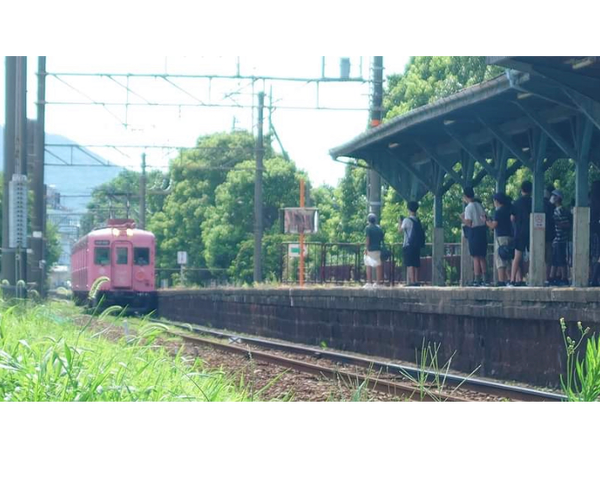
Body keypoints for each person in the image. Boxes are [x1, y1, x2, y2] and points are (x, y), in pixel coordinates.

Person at [460, 186, 488, 286]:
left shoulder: (469, 207)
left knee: (475, 256)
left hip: (474, 232)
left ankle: (477, 278)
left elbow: (469, 223)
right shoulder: (479, 205)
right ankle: (485, 278)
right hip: (482, 231)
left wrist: (462, 218)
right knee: (482, 256)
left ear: (465, 196)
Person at [485, 192, 512, 286]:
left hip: (501, 237)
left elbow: (494, 225)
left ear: (497, 201)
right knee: (508, 258)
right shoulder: (509, 210)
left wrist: (486, 222)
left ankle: (501, 280)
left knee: (500, 258)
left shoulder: (498, 211)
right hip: (510, 236)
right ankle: (510, 279)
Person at [510, 180, 532, 287]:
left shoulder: (516, 203)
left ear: (521, 190)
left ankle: (512, 279)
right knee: (533, 256)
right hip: (532, 232)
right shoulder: (534, 202)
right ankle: (533, 277)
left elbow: (512, 218)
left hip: (519, 232)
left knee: (517, 256)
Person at [399, 201, 425, 286]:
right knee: (416, 263)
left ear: (408, 209)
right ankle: (417, 281)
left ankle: (412, 281)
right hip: (416, 245)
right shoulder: (418, 220)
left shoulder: (406, 220)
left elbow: (400, 231)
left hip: (408, 244)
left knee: (409, 263)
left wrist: (400, 222)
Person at [548, 190, 571, 286]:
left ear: (558, 198)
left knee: (561, 258)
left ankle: (564, 278)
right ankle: (551, 277)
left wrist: (556, 223)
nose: (552, 197)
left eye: (554, 196)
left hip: (561, 238)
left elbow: (566, 224)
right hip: (556, 239)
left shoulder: (560, 210)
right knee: (554, 259)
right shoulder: (556, 210)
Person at [364, 213, 384, 287]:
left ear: (368, 220)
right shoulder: (379, 228)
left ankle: (369, 282)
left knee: (368, 265)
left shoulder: (368, 228)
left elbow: (367, 239)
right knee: (378, 265)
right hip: (378, 248)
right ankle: (378, 282)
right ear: (375, 220)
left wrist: (366, 248)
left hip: (370, 249)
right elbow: (382, 237)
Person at [544, 185, 556, 281]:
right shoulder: (550, 205)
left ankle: (545, 276)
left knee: (546, 257)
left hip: (542, 234)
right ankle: (547, 276)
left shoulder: (541, 202)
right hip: (550, 235)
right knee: (549, 258)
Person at [590, 181, 600, 286]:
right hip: (598, 231)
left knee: (596, 256)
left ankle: (594, 279)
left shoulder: (592, 202)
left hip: (594, 231)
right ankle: (594, 279)